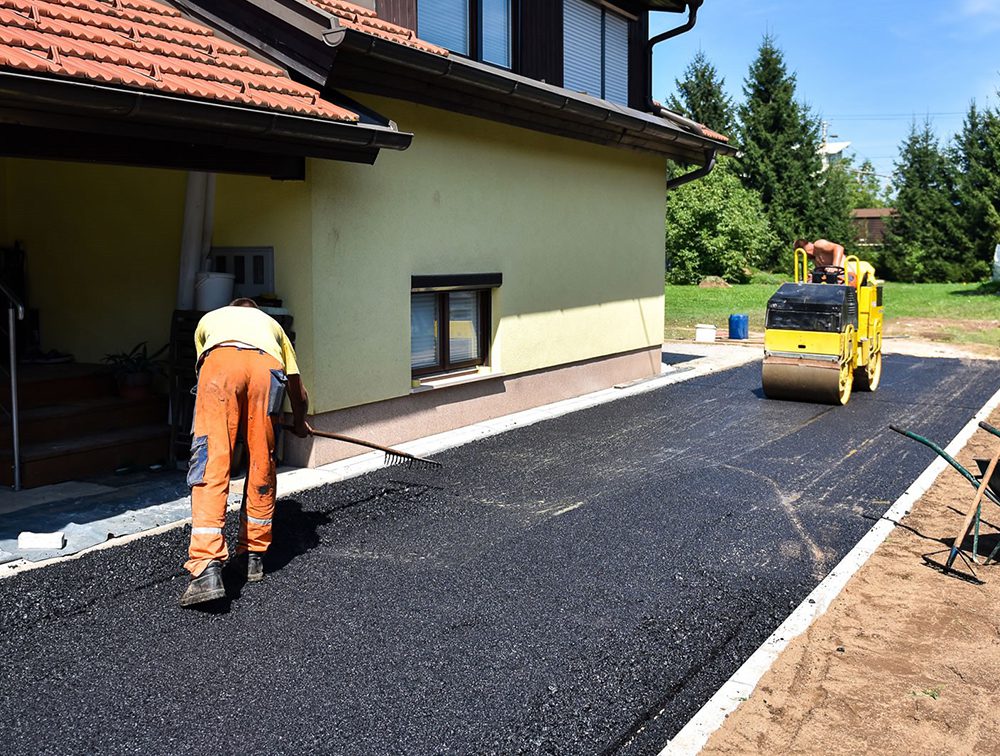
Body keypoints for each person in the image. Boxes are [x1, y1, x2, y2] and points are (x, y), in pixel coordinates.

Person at [180, 298, 309, 607]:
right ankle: (252, 556)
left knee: (212, 460)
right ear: (255, 311)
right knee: (262, 459)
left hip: (220, 365)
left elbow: (206, 369)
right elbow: (296, 387)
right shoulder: (273, 327)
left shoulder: (210, 320)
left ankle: (206, 567)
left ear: (233, 307)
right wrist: (300, 421)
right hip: (267, 369)